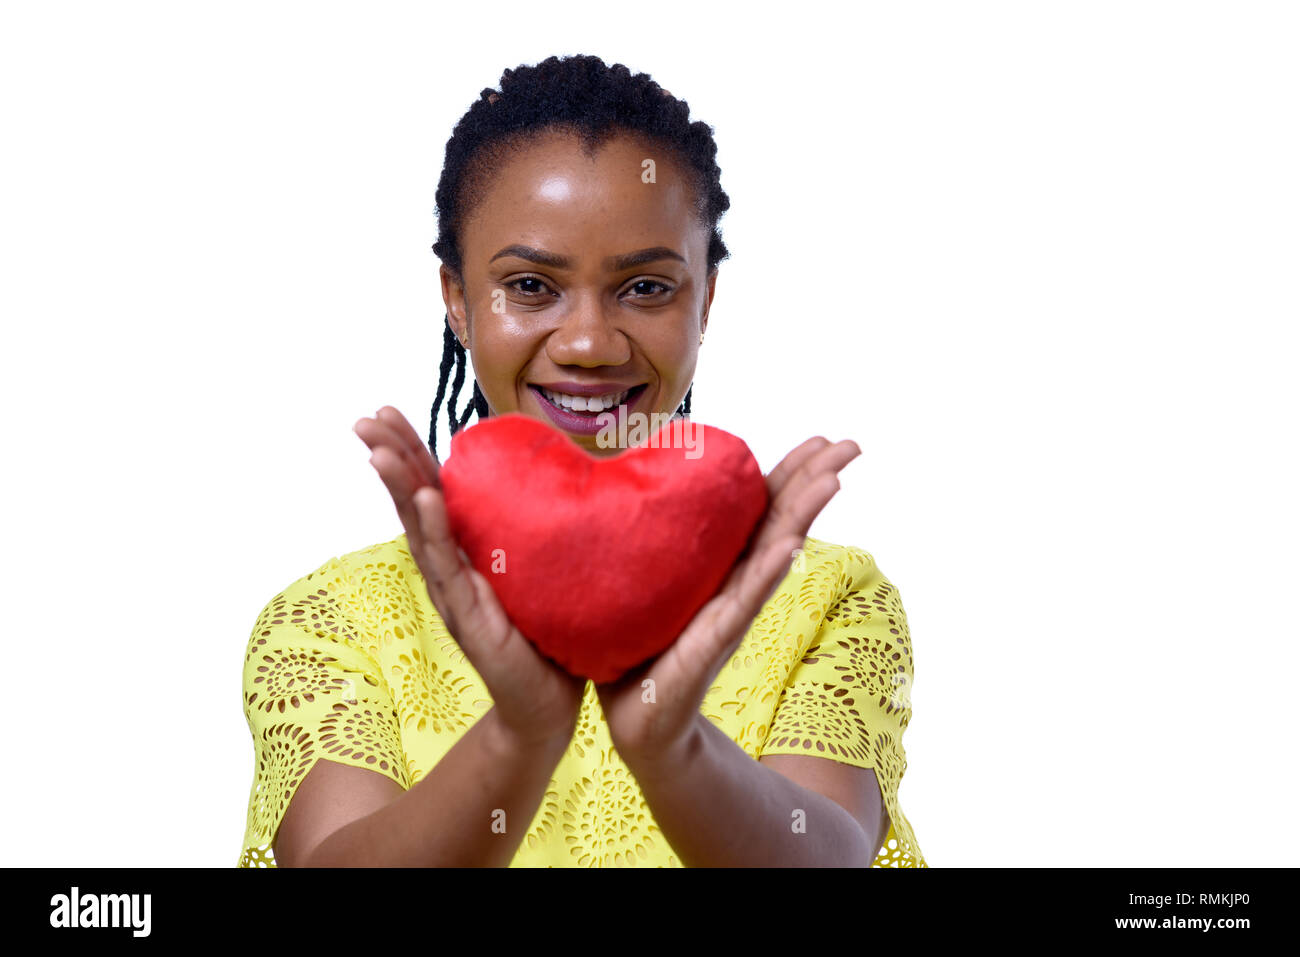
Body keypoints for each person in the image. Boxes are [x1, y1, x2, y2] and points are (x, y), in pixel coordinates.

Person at [238, 54, 927, 868]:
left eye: (645, 288)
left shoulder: (824, 596)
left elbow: (828, 855)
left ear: (705, 301)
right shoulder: (332, 617)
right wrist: (519, 734)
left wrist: (671, 746)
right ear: (457, 299)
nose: (590, 343)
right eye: (530, 285)